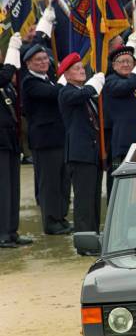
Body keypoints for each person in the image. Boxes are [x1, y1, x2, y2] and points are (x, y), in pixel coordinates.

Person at [21, 44, 70, 235]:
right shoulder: (30, 82)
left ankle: (61, 217)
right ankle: (51, 222)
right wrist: (65, 78)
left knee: (62, 181)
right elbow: (54, 94)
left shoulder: (49, 79)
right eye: (38, 60)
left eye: (44, 59)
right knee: (49, 184)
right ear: (28, 64)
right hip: (45, 141)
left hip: (58, 138)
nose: (43, 62)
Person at [58, 53, 105, 232]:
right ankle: (85, 238)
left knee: (93, 197)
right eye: (76, 69)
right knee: (84, 199)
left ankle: (93, 234)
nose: (81, 71)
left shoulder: (84, 93)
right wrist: (95, 84)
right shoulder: (66, 92)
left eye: (81, 67)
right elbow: (83, 93)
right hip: (79, 154)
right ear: (67, 75)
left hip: (92, 152)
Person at [0, 35, 33, 248]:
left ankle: (11, 230)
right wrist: (13, 54)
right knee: (2, 189)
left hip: (9, 140)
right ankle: (2, 233)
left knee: (12, 188)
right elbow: (4, 77)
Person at [104, 46, 136, 169]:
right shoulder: (111, 81)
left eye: (129, 61)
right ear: (114, 66)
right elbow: (127, 86)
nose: (126, 64)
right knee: (124, 180)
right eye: (122, 61)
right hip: (124, 142)